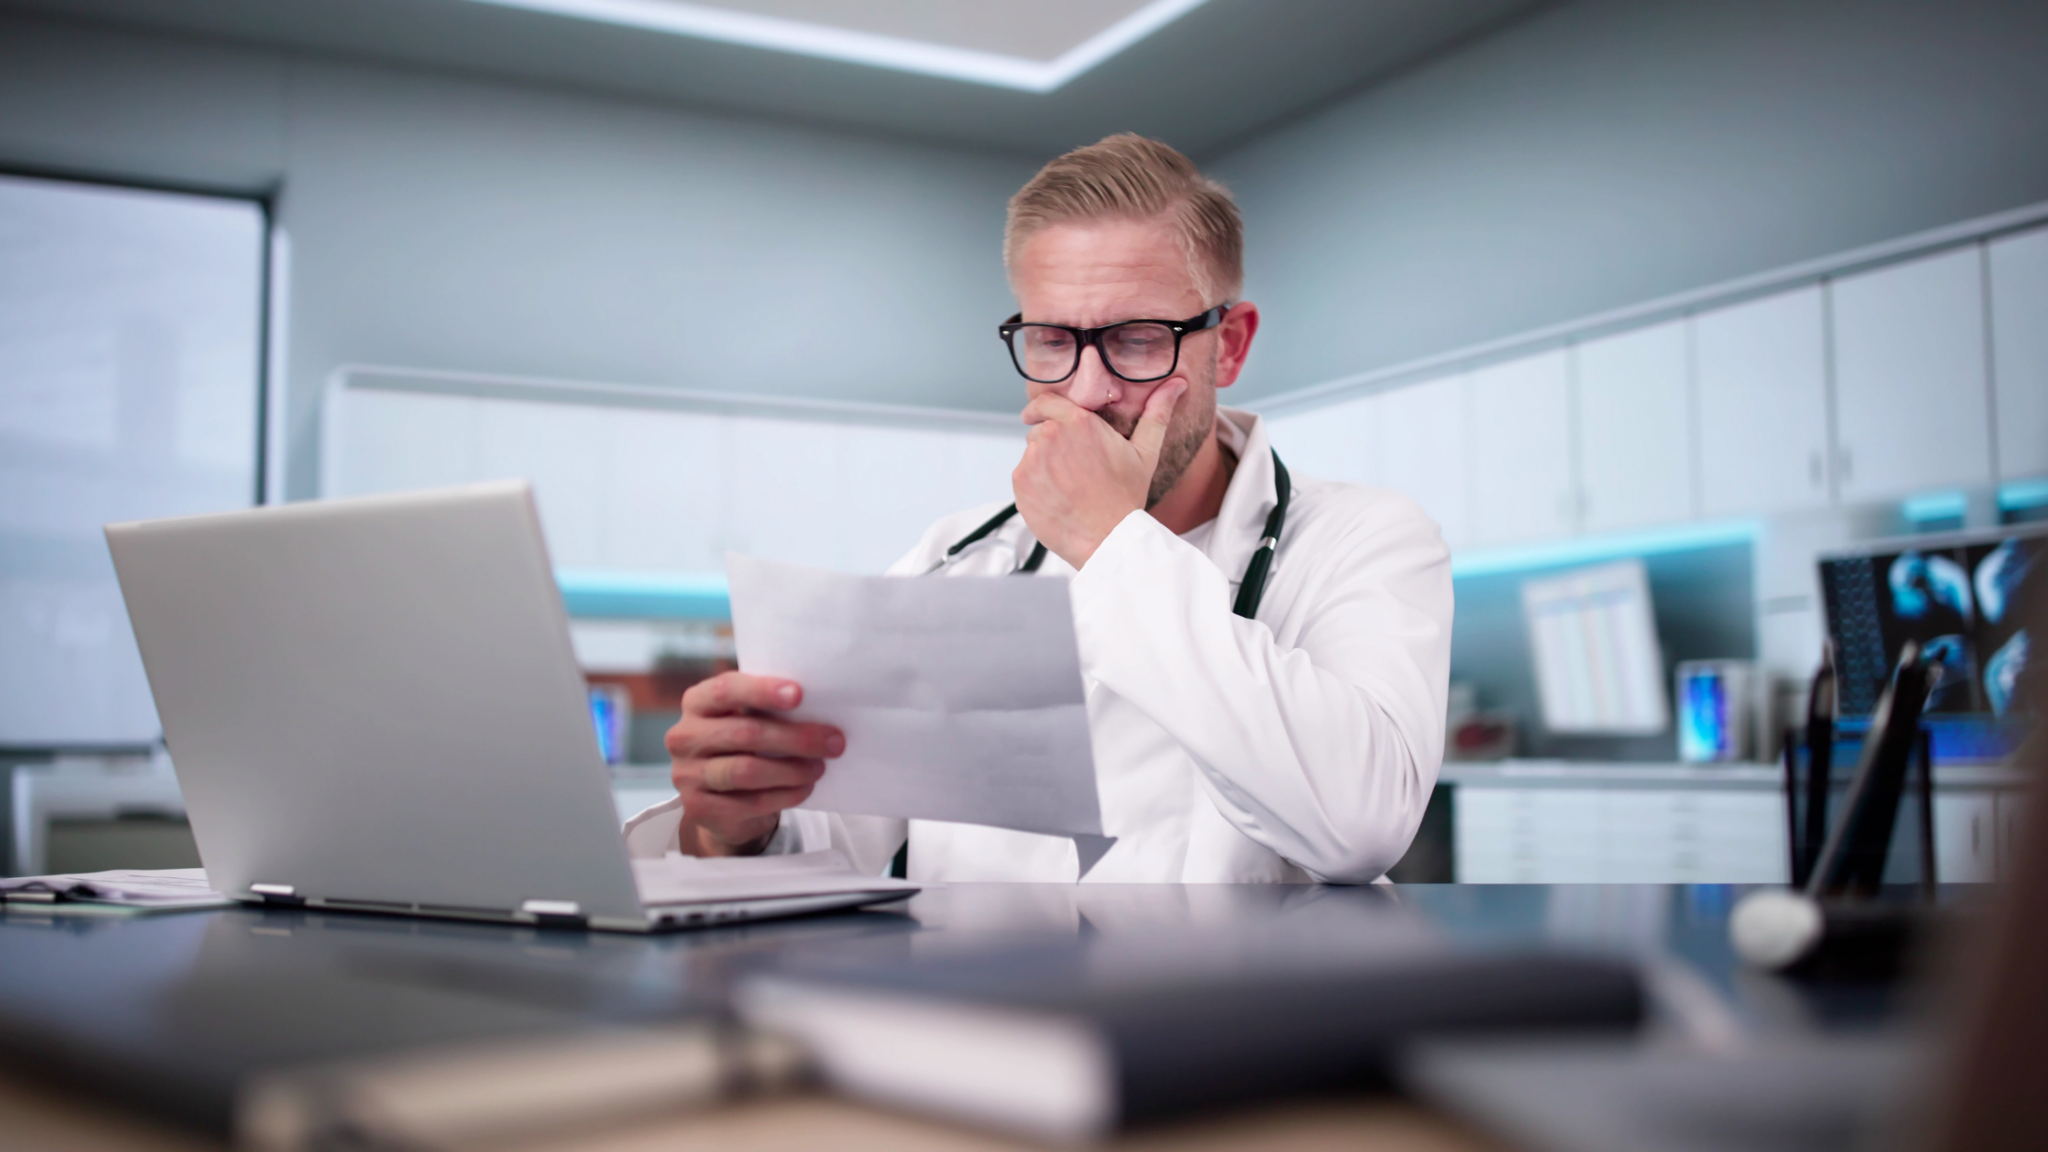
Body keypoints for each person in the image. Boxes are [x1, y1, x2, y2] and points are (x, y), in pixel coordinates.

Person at [625, 134, 1453, 883]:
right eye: (1054, 341)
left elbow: (1360, 825)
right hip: (983, 1033)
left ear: (1228, 345)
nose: (1088, 392)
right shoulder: (956, 559)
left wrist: (1111, 541)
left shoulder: (1362, 539)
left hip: (1235, 1038)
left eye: (1136, 339)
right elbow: (828, 845)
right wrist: (732, 825)